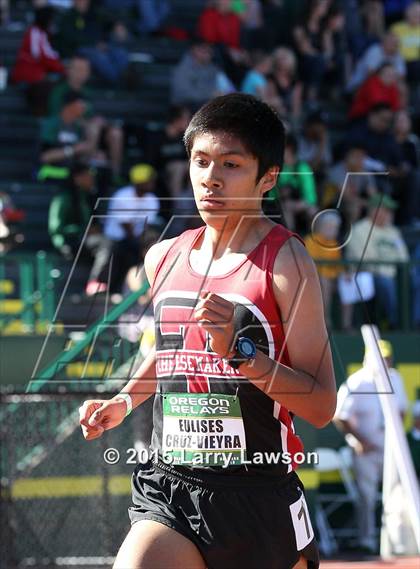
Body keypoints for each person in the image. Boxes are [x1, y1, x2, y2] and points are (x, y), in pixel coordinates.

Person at [79, 93, 337, 569]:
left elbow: (322, 405)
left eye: (231, 164)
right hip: (172, 487)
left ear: (268, 178)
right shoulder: (164, 256)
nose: (211, 178)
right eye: (201, 161)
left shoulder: (286, 263)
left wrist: (241, 354)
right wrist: (123, 400)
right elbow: (172, 353)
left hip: (259, 494)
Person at [334, 339, 408, 553]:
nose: (385, 362)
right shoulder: (356, 382)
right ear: (369, 359)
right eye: (381, 358)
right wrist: (360, 441)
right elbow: (341, 416)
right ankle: (366, 541)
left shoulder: (395, 378)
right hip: (364, 451)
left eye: (387, 358)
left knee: (396, 496)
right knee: (366, 496)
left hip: (390, 450)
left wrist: (395, 437)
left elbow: (401, 410)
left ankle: (396, 541)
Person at [345, 193, 410, 329]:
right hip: (369, 275)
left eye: (390, 211)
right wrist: (391, 266)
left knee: (415, 280)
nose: (389, 214)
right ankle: (395, 324)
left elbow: (404, 257)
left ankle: (414, 323)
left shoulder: (393, 231)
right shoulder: (360, 229)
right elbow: (369, 260)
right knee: (386, 282)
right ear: (375, 211)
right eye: (386, 210)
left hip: (393, 274)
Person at [48, 162, 111, 295]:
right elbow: (56, 228)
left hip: (84, 241)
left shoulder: (85, 196)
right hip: (68, 243)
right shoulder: (63, 198)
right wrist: (83, 230)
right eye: (89, 176)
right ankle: (94, 282)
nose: (92, 179)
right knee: (105, 243)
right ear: (78, 178)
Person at [104, 164, 160, 293]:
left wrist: (148, 242)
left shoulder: (152, 199)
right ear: (139, 181)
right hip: (116, 237)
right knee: (127, 253)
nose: (152, 183)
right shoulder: (123, 196)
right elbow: (126, 227)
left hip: (135, 238)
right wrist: (141, 245)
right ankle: (114, 289)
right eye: (149, 180)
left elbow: (147, 225)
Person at [11, 6, 65, 115]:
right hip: (27, 76)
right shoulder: (35, 32)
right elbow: (41, 55)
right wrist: (63, 69)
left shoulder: (42, 34)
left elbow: (49, 55)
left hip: (36, 76)